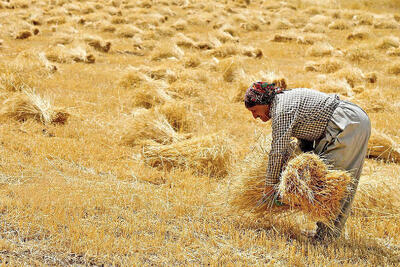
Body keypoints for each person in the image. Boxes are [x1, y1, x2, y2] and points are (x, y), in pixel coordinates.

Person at [244, 81, 371, 240]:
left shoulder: (281, 109)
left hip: (347, 123)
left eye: (255, 110)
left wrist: (270, 186)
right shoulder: (283, 101)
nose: (254, 116)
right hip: (350, 120)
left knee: (330, 184)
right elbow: (306, 135)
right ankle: (325, 233)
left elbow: (278, 150)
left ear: (264, 102)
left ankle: (326, 238)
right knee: (325, 182)